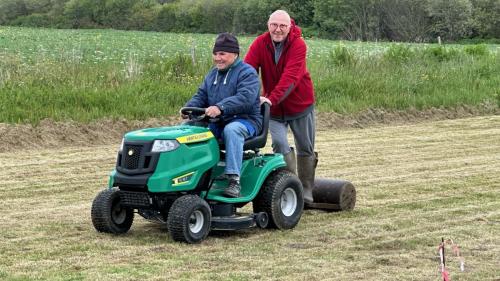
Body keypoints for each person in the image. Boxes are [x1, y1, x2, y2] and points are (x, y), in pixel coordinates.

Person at [244, 10, 317, 206]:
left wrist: (270, 99)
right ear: (268, 25)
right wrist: (248, 96)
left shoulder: (298, 45)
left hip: (300, 104)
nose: (278, 29)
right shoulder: (260, 43)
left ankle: (307, 189)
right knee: (279, 143)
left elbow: (291, 78)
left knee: (305, 147)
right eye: (274, 25)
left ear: (289, 27)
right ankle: (292, 186)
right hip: (273, 108)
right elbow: (248, 71)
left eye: (282, 26)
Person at [183, 32, 262, 198]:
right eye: (215, 54)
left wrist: (221, 107)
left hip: (245, 121)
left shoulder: (247, 73)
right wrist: (189, 108)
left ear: (234, 54)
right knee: (187, 130)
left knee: (231, 130)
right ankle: (188, 175)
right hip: (218, 121)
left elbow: (245, 98)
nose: (218, 58)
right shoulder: (212, 74)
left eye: (222, 54)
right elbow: (201, 95)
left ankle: (234, 180)